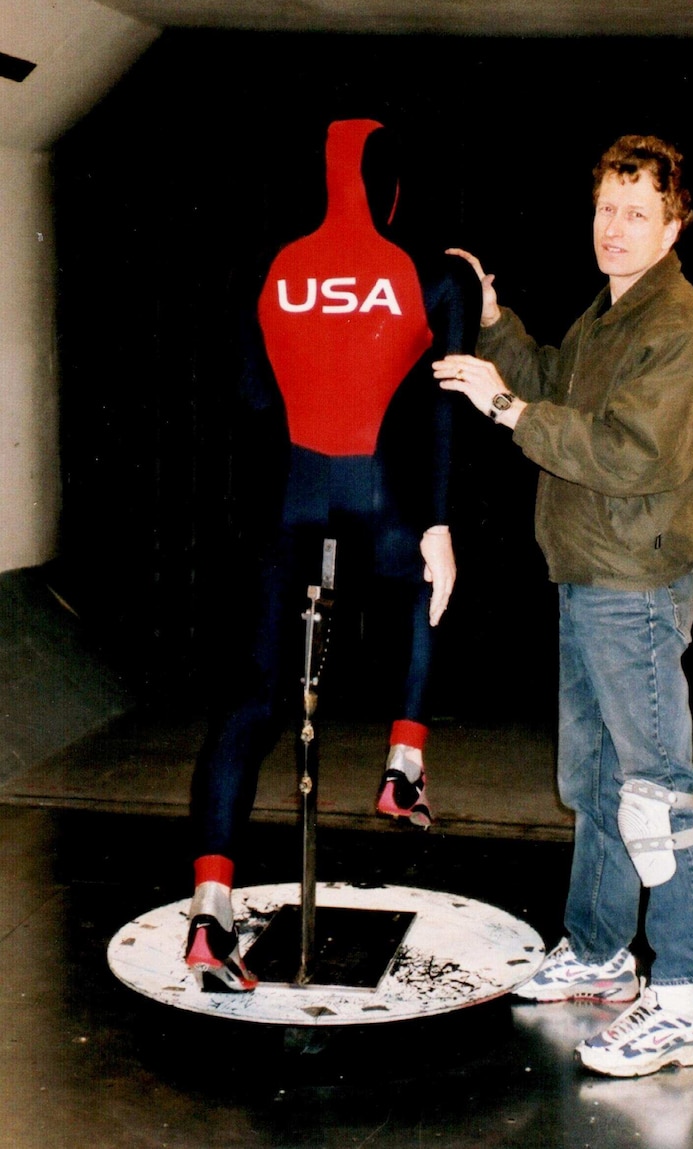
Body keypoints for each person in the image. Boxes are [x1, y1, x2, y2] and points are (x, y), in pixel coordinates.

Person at [434, 135, 693, 1077]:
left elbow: (627, 454)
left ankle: (680, 996)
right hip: (587, 576)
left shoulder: (682, 330)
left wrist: (506, 411)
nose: (616, 227)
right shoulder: (613, 314)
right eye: (607, 207)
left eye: (637, 211)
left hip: (634, 591)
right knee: (598, 786)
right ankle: (601, 954)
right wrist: (493, 321)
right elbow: (558, 379)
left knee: (653, 797)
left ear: (675, 222)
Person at [184, 119, 480, 991]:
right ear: (393, 186)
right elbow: (447, 405)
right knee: (428, 583)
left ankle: (210, 909)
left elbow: (247, 391)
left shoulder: (267, 265)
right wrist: (438, 520)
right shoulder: (441, 272)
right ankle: (404, 761)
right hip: (384, 493)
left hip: (290, 498)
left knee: (250, 699)